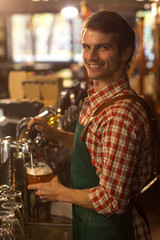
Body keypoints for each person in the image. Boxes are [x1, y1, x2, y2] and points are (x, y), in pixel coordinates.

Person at [27, 10, 152, 240]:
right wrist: (54, 133)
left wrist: (60, 193)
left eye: (102, 47)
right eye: (86, 46)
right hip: (95, 225)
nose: (91, 56)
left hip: (113, 231)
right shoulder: (100, 99)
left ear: (125, 53)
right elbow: (95, 149)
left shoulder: (120, 115)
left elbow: (112, 200)